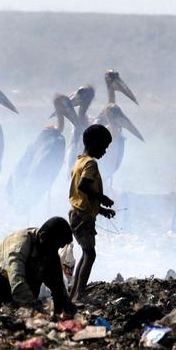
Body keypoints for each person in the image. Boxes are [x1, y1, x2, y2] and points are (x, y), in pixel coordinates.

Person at [0, 216, 77, 318]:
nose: (55, 251)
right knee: (0, 282)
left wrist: (65, 306)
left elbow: (57, 285)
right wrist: (37, 308)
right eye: (55, 247)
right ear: (43, 237)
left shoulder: (48, 249)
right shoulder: (20, 243)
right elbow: (16, 279)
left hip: (16, 296)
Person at [69, 124, 116, 300]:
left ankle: (74, 293)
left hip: (78, 213)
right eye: (104, 146)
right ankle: (79, 294)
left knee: (86, 252)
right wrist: (102, 197)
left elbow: (83, 195)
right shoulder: (90, 163)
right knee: (90, 254)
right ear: (95, 143)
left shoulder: (79, 160)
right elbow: (83, 186)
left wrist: (102, 210)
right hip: (82, 216)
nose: (104, 151)